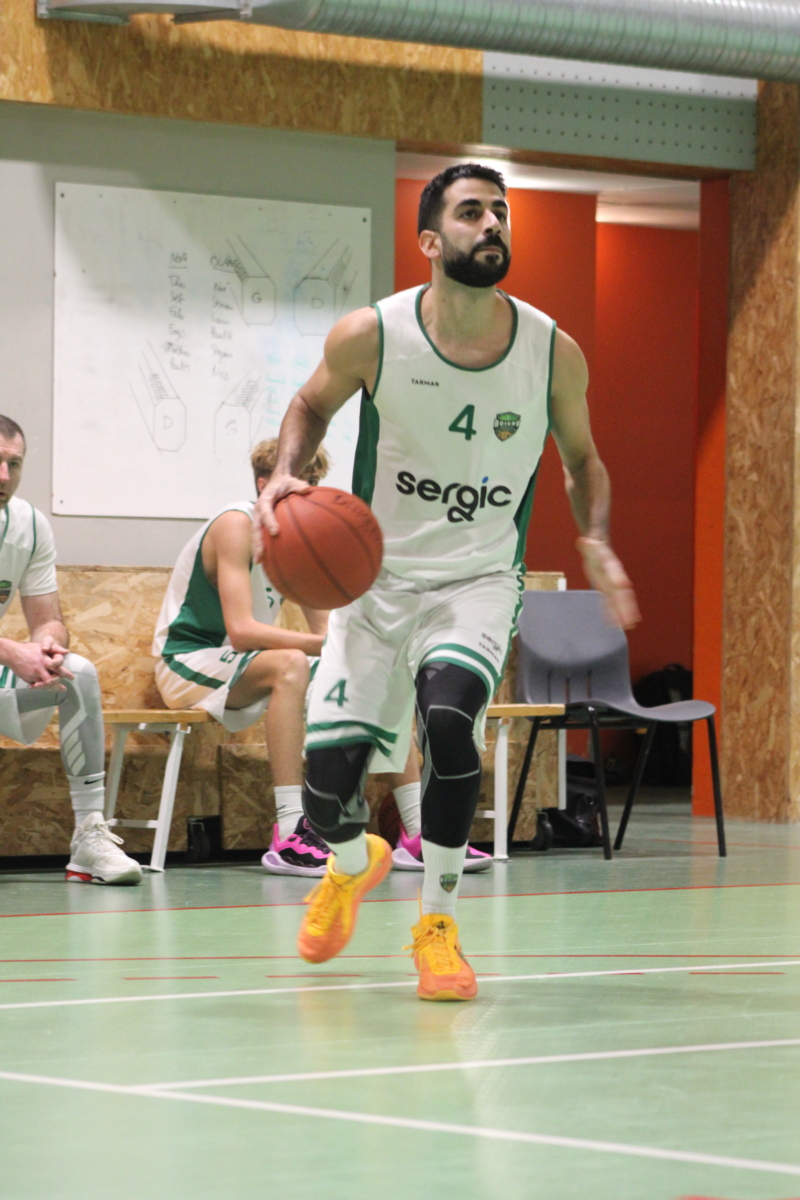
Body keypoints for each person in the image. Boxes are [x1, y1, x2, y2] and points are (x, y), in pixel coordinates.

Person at [256, 163, 639, 1000]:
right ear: (430, 241)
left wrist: (595, 536)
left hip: (477, 578)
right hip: (376, 584)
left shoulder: (550, 350)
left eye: (500, 211)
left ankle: (437, 925)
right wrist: (285, 473)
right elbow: (311, 406)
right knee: (326, 791)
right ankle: (350, 863)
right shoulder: (373, 334)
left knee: (449, 721)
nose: (492, 223)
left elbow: (582, 460)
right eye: (471, 213)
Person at [151, 438, 479, 876]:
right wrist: (327, 647)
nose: (305, 493)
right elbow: (242, 632)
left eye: (313, 483)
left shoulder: (297, 539)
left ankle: (420, 832)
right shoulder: (236, 523)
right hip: (187, 659)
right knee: (289, 664)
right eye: (297, 481)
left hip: (242, 664)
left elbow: (324, 634)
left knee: (375, 673)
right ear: (265, 485)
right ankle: (291, 830)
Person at [0, 414, 142, 884]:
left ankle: (89, 836)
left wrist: (47, 646)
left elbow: (49, 620)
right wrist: (10, 652)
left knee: (76, 673)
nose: (5, 476)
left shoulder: (29, 525)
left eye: (14, 464)